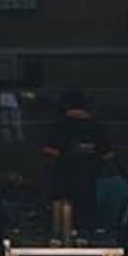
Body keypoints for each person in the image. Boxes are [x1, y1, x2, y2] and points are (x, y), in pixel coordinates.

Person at [41, 90, 113, 234]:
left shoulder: (59, 127)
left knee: (60, 230)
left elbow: (49, 158)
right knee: (86, 229)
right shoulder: (97, 128)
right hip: (89, 188)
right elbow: (108, 157)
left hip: (62, 189)